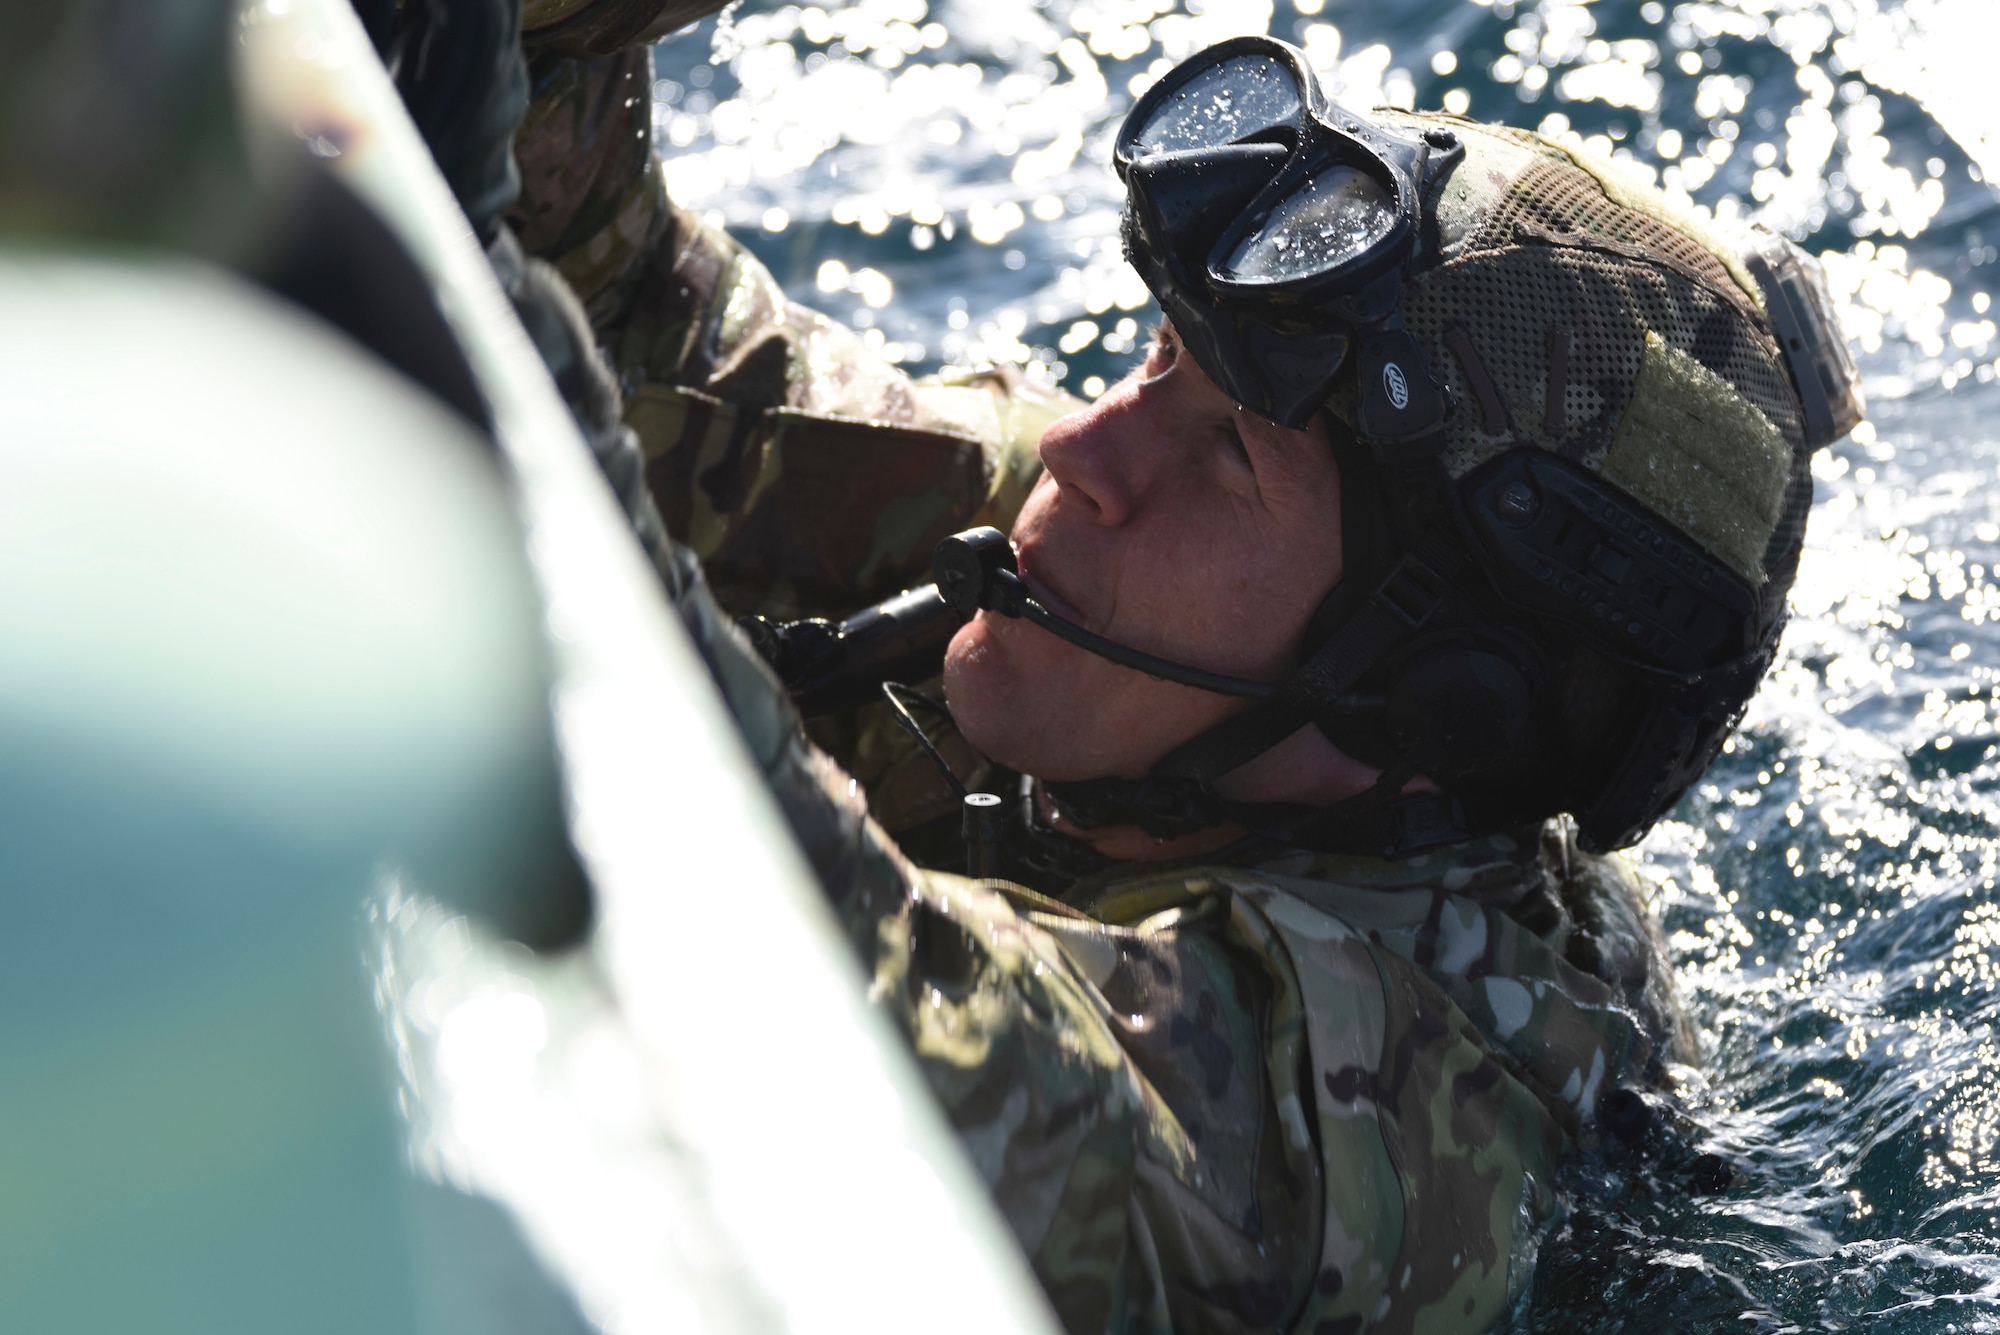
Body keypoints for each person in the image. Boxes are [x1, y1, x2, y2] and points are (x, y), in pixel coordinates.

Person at [384, 7, 1863, 1332]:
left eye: (1235, 456)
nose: (1087, 453)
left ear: (1422, 696)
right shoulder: (1134, 587)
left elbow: (854, 1057)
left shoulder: (1380, 1113)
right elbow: (660, 357)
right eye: (1161, 362)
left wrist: (489, 379)